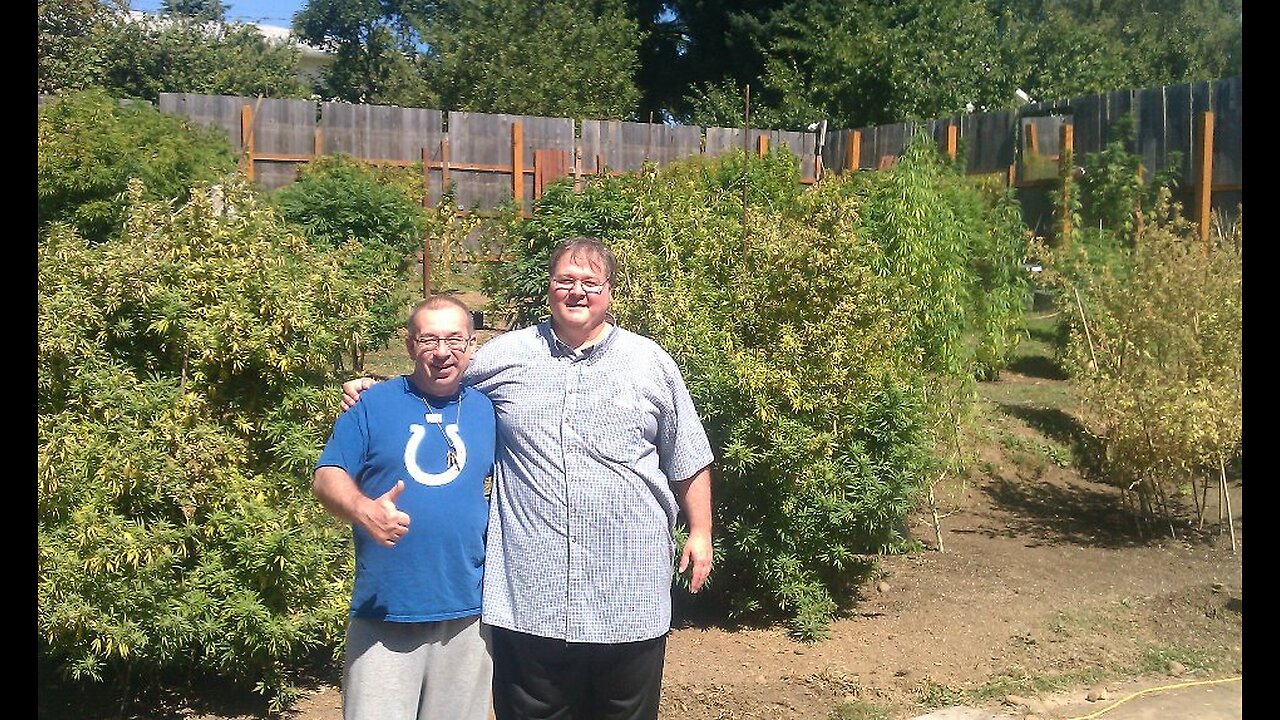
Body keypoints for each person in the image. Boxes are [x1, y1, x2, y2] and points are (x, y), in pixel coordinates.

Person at [342, 236, 714, 720]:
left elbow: (688, 454)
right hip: (530, 593)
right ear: (549, 289)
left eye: (590, 283)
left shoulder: (650, 363)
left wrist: (701, 531)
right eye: (566, 281)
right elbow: (438, 372)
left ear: (611, 293)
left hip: (628, 590)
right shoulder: (505, 355)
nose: (577, 292)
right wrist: (376, 390)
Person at [315, 294, 496, 720]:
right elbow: (327, 476)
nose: (442, 352)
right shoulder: (374, 405)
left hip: (470, 615)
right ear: (411, 345)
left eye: (456, 339)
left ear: (472, 345)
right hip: (386, 610)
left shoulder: (488, 410)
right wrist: (363, 510)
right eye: (429, 339)